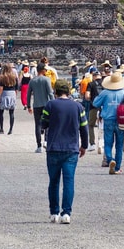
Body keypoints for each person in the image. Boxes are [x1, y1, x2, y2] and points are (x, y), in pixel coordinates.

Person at [42, 79, 87, 224]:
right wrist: (84, 146)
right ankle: (66, 213)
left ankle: (54, 212)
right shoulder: (78, 107)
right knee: (69, 181)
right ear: (68, 91)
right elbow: (84, 128)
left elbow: (43, 123)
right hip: (71, 149)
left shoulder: (50, 105)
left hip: (54, 148)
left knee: (53, 182)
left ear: (55, 91)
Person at [93, 71, 124, 175]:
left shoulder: (105, 93)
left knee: (108, 143)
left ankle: (110, 159)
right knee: (119, 145)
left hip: (108, 120)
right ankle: (117, 168)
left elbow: (95, 103)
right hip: (121, 120)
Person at [27, 64, 54, 153]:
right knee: (48, 124)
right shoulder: (46, 80)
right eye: (45, 70)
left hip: (36, 105)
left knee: (37, 125)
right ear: (42, 70)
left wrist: (28, 106)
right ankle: (46, 141)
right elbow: (50, 93)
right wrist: (54, 103)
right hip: (46, 104)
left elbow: (28, 94)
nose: (46, 71)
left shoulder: (32, 81)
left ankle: (39, 145)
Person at [0, 64, 19, 135]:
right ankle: (11, 129)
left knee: (1, 112)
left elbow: (1, 88)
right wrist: (15, 95)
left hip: (5, 93)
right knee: (11, 113)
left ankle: (1, 128)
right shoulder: (14, 77)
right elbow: (16, 88)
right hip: (12, 93)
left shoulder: (2, 77)